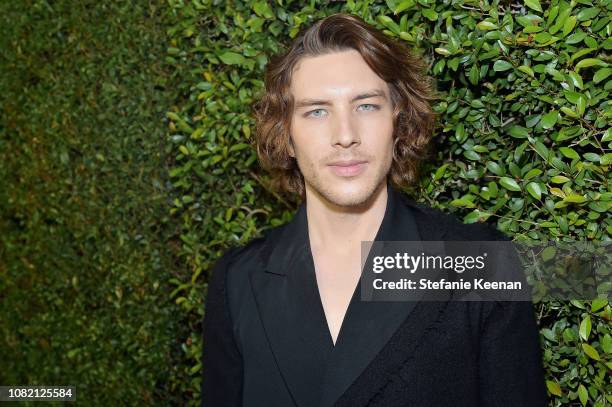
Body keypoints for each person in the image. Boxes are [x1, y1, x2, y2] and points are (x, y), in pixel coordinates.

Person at [201, 13, 547, 407]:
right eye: (317, 111)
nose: (345, 135)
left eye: (366, 106)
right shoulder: (237, 280)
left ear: (398, 123)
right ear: (287, 137)